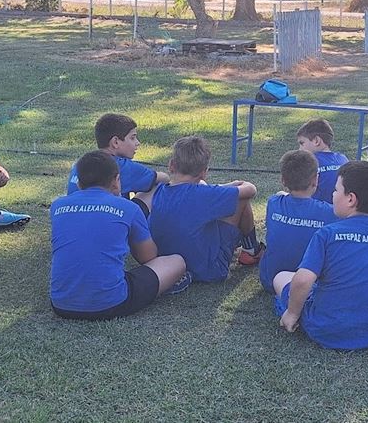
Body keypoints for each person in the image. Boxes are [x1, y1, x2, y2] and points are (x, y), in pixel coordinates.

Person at [274, 161, 368, 350]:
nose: (332, 194)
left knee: (281, 277)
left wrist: (292, 314)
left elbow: (303, 281)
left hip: (327, 328)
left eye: (336, 190)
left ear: (351, 199)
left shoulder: (327, 234)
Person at [50, 150, 186, 320]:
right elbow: (148, 257)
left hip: (60, 304)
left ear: (78, 183)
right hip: (112, 303)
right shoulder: (128, 208)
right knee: (177, 261)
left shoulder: (57, 206)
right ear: (116, 181)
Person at [146, 136, 262, 292]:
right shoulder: (203, 194)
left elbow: (199, 191)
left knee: (211, 201)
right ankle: (251, 250)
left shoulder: (160, 191)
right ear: (204, 172)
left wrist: (222, 188)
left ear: (171, 165)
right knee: (240, 199)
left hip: (168, 265)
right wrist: (236, 185)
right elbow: (250, 190)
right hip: (210, 269)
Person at [259, 150, 338, 294]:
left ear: (283, 180)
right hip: (309, 284)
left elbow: (280, 196)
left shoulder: (273, 203)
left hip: (270, 280)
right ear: (316, 180)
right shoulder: (329, 212)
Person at [67, 113, 169, 216]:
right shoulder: (122, 166)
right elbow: (164, 178)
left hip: (74, 217)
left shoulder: (81, 163)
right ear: (115, 142)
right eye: (132, 138)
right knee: (157, 186)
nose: (137, 142)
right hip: (109, 220)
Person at [296, 119, 348, 203]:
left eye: (302, 143)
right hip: (342, 208)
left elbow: (297, 193)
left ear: (316, 141)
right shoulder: (343, 159)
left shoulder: (308, 162)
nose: (299, 149)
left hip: (315, 208)